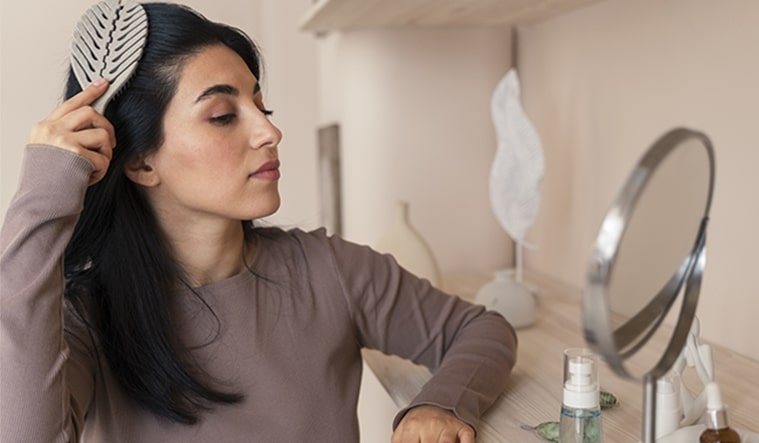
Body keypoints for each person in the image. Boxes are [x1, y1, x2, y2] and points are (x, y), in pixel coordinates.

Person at [0, 2, 517, 442]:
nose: (270, 131)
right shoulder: (85, 318)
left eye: (262, 106)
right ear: (140, 162)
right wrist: (44, 194)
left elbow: (482, 330)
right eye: (224, 115)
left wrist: (443, 405)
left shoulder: (329, 269)